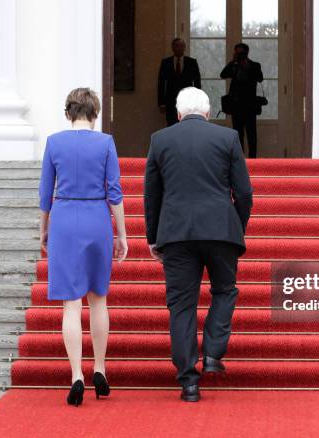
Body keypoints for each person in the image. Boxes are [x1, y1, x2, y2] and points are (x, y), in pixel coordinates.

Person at [143, 87, 253, 402]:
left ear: (178, 113)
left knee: (181, 306)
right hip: (221, 231)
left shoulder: (160, 140)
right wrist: (236, 228)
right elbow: (244, 193)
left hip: (176, 235)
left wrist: (153, 237)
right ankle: (214, 352)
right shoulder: (228, 138)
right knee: (225, 290)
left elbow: (152, 194)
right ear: (207, 112)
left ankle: (189, 382)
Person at [38, 87, 128, 406]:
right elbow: (114, 192)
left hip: (64, 218)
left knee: (70, 305)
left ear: (68, 113)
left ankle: (77, 373)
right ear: (95, 113)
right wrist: (122, 233)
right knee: (98, 299)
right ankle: (100, 368)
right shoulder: (105, 143)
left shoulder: (54, 142)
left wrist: (44, 230)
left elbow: (45, 193)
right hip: (96, 219)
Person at [220, 43, 264, 158]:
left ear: (247, 53)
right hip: (236, 106)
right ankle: (239, 159)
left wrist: (247, 67)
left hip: (250, 106)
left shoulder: (254, 65)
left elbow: (260, 78)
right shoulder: (234, 66)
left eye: (241, 53)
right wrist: (233, 62)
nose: (239, 55)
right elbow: (223, 74)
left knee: (251, 135)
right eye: (237, 52)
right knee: (238, 135)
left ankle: (253, 161)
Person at [158, 38, 202, 126]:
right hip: (170, 102)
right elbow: (161, 83)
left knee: (187, 127)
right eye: (176, 46)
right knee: (172, 126)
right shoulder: (166, 62)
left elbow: (197, 83)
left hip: (188, 102)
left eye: (181, 46)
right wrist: (161, 103)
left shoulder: (192, 62)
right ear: (172, 48)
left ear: (184, 47)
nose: (179, 48)